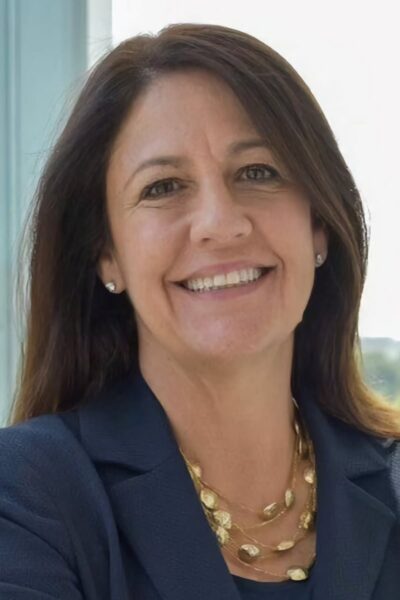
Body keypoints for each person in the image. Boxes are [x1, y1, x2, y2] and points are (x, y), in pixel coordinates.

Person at [0, 22, 399, 600]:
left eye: (258, 173)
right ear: (106, 254)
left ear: (318, 226)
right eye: (163, 187)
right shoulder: (27, 499)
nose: (220, 223)